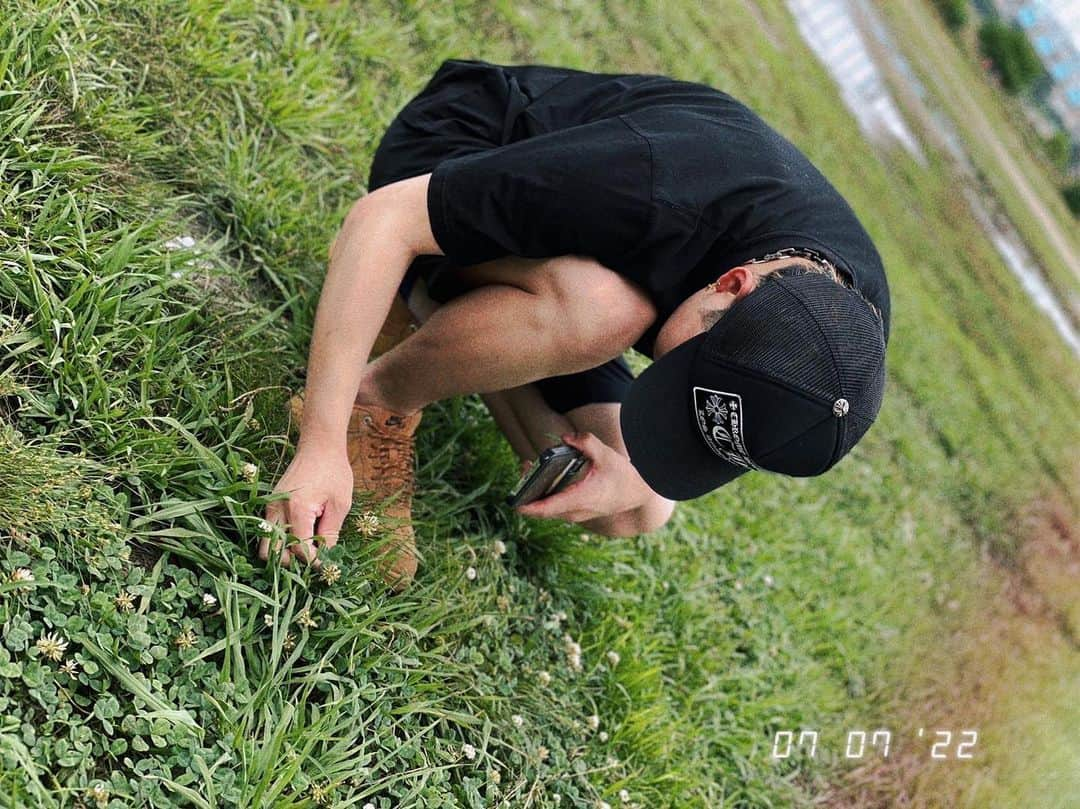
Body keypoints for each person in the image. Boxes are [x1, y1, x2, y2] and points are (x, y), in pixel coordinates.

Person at [260, 59, 890, 592]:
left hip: (569, 273)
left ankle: (457, 329)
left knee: (642, 506)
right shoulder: (657, 178)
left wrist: (637, 469)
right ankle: (372, 405)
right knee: (608, 311)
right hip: (458, 155)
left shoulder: (842, 341)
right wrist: (318, 445)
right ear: (730, 285)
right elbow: (383, 221)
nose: (668, 402)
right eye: (682, 376)